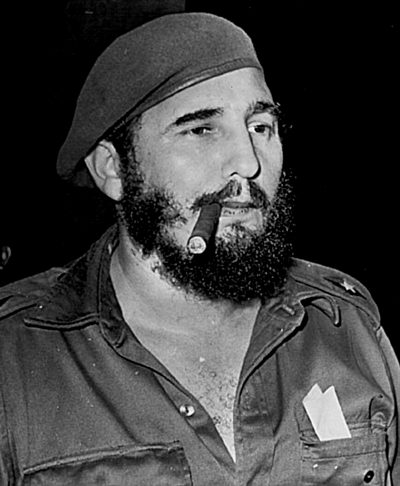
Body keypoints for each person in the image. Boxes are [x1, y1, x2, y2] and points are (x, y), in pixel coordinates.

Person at [0, 12, 398, 485]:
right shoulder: (14, 358)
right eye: (201, 129)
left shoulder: (343, 324)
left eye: (260, 127)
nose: (247, 163)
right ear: (113, 169)